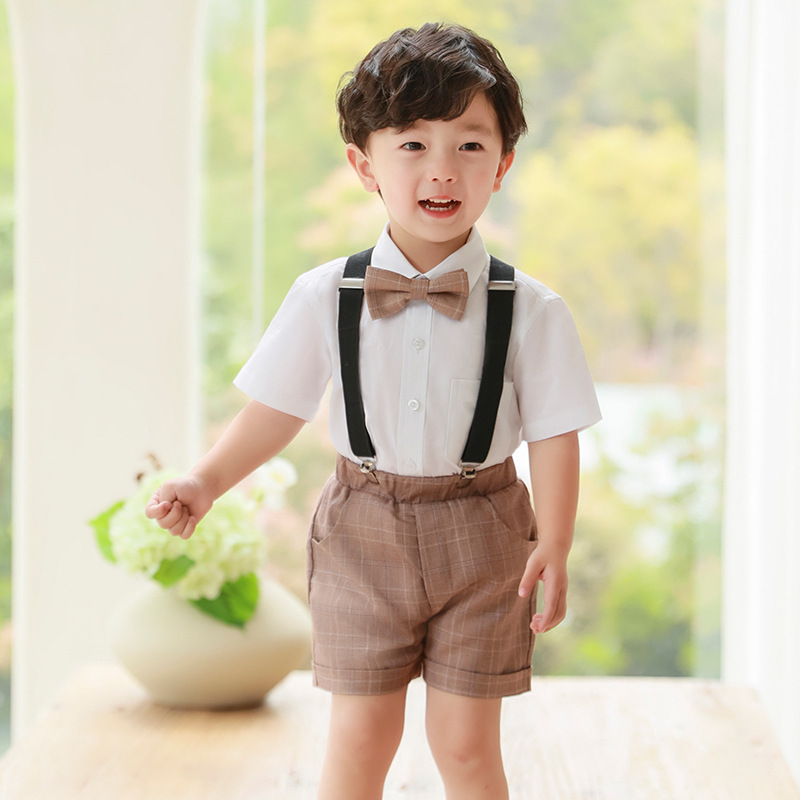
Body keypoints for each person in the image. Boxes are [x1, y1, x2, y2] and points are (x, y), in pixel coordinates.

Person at [146, 22, 600, 800]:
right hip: (362, 527)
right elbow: (277, 408)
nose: (442, 170)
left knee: (464, 746)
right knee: (359, 742)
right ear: (365, 164)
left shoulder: (531, 309)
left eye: (468, 145)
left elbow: (556, 435)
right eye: (413, 145)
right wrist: (206, 480)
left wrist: (554, 541)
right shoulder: (326, 294)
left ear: (504, 165)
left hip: (485, 532)